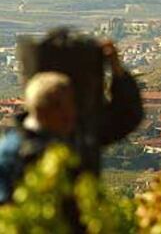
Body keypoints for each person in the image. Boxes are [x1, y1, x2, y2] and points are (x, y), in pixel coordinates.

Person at [0, 40, 143, 206]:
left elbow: (126, 118)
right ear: (42, 109)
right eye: (62, 108)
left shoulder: (79, 136)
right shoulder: (13, 152)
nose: (70, 114)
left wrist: (117, 71)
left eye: (71, 106)